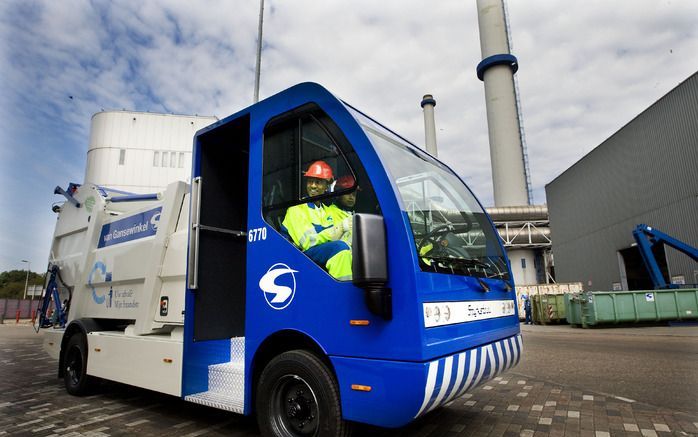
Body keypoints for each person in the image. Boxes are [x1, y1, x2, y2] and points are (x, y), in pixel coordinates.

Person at [282, 161, 352, 280]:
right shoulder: (296, 210)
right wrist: (337, 229)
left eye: (318, 182)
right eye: (310, 181)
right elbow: (308, 242)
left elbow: (342, 237)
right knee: (340, 249)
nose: (313, 186)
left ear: (327, 186)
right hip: (298, 258)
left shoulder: (328, 211)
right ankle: (342, 292)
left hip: (319, 254)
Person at [326, 175, 358, 245]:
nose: (351, 197)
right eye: (348, 193)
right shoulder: (331, 212)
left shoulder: (351, 214)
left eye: (354, 194)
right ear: (338, 194)